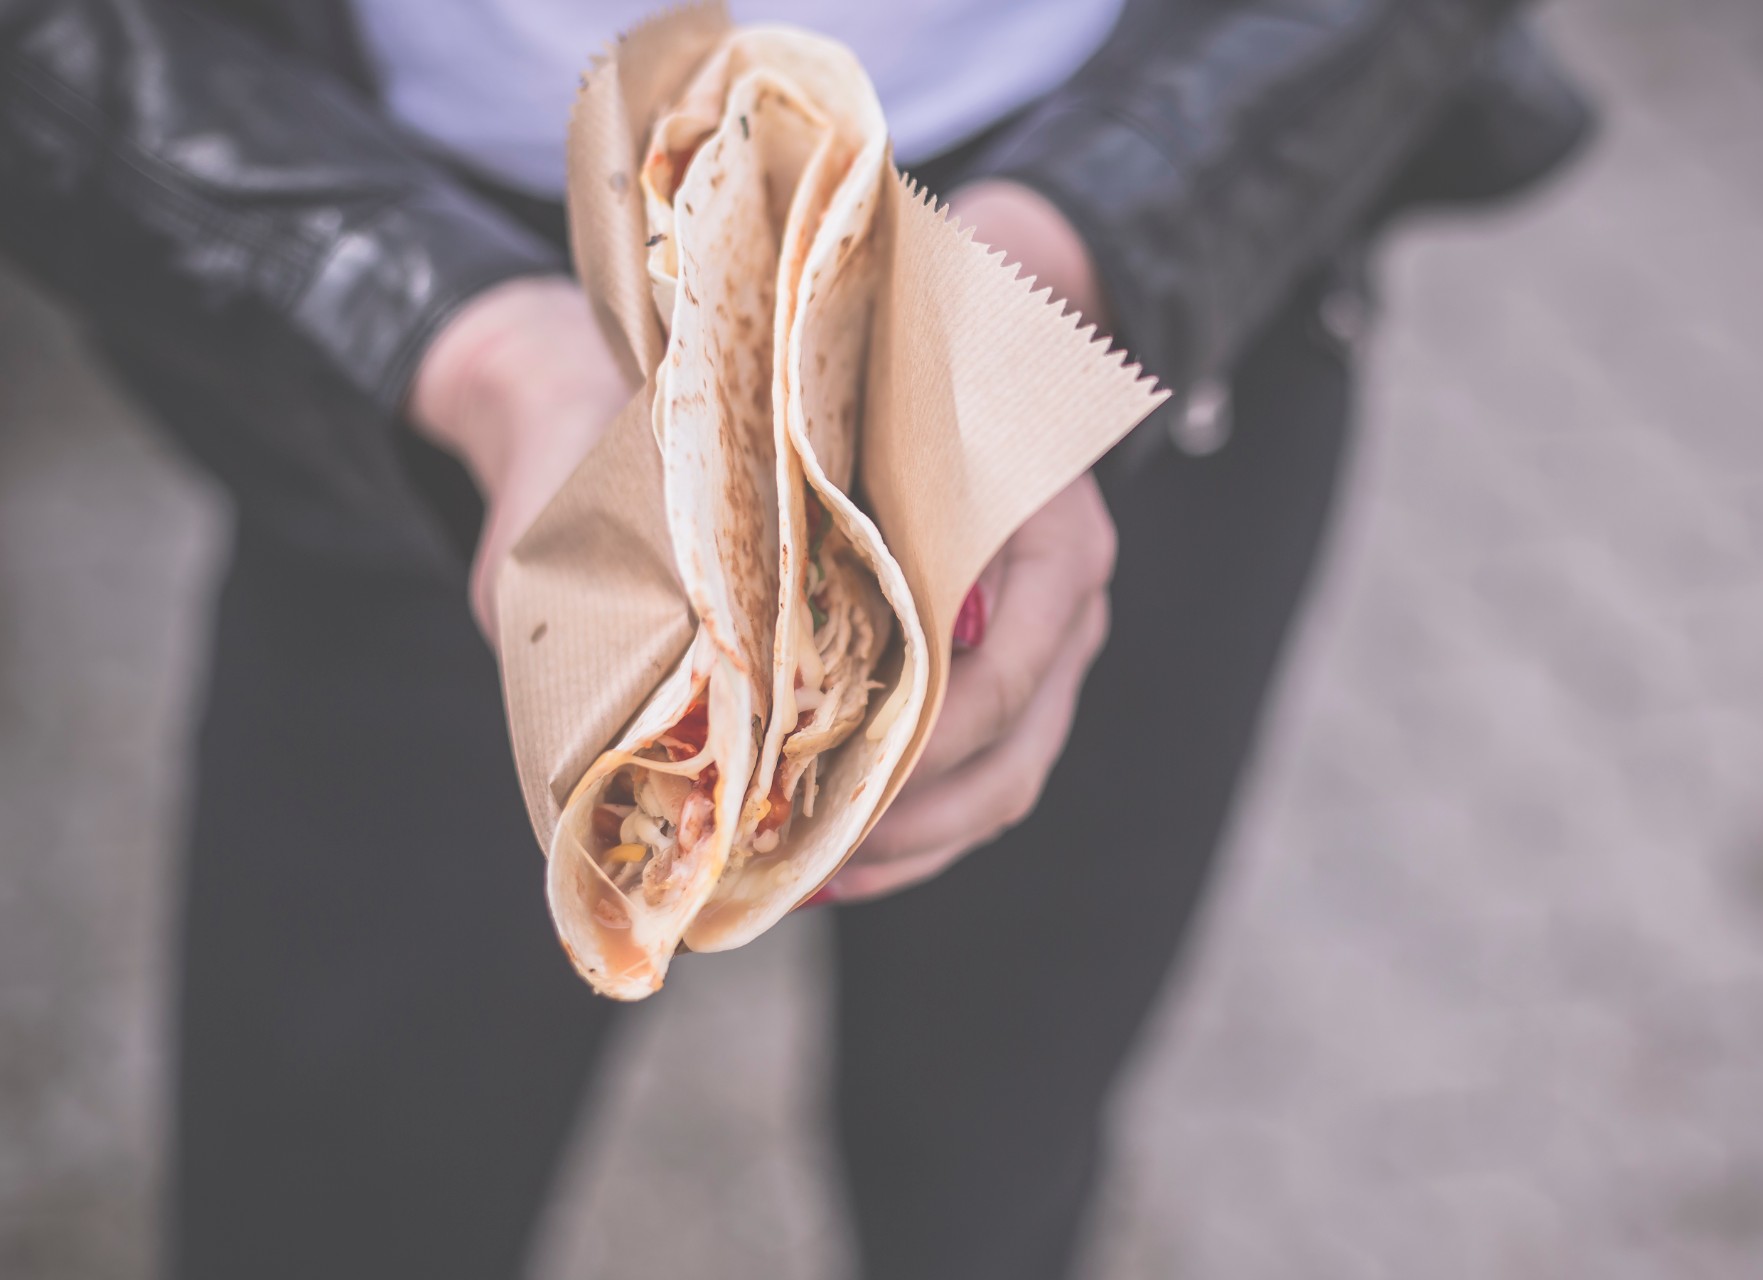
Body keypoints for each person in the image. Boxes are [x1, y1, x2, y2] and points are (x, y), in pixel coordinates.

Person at [0, 1, 1591, 1276]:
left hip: (1117, 234)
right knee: (340, 1197)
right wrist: (485, 358)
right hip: (426, 298)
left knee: (994, 1159)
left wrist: (1063, 265)